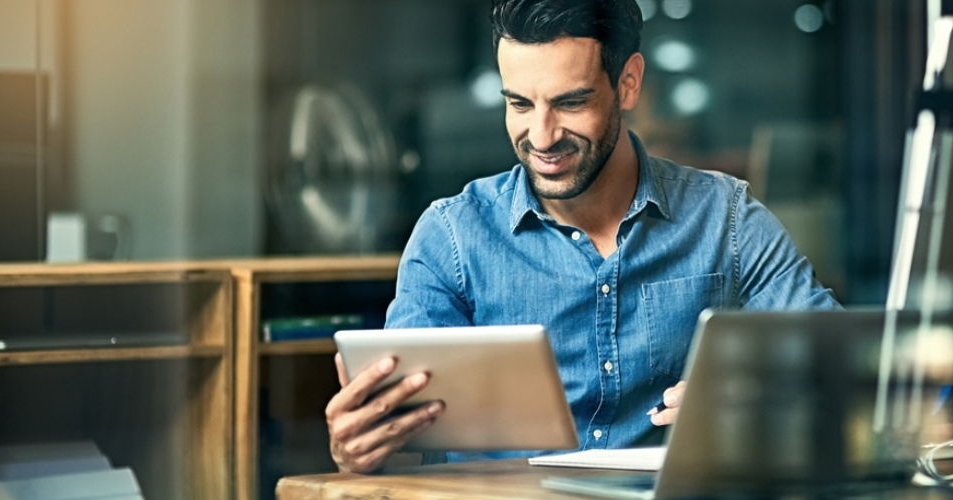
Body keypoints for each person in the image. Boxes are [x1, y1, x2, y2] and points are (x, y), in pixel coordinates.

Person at [325, 0, 839, 474]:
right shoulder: (452, 236)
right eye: (520, 104)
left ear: (629, 82)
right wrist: (359, 444)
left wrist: (764, 398)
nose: (542, 136)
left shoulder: (725, 218)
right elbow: (396, 420)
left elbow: (845, 370)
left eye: (570, 103)